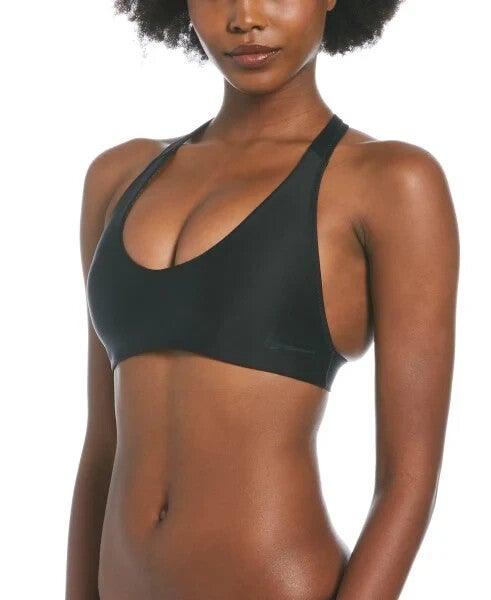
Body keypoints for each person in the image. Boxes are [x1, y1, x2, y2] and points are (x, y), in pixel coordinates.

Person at [65, 1, 459, 599]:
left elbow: (408, 483)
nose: (245, 17)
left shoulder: (388, 182)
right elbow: (102, 446)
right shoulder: (117, 177)